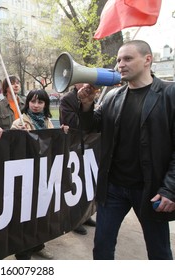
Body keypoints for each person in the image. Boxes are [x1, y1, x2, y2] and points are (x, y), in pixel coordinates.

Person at [77, 40, 175, 259]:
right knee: (102, 247)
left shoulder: (169, 94)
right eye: (119, 59)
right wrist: (86, 105)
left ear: (147, 59)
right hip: (113, 188)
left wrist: (170, 189)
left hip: (150, 189)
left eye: (128, 58)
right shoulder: (113, 96)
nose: (121, 64)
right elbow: (91, 126)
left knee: (159, 251)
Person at [10, 89, 56, 260]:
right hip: (25, 176)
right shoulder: (19, 123)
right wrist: (16, 136)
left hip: (43, 173)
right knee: (25, 214)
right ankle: (23, 252)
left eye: (40, 102)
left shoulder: (48, 122)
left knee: (42, 212)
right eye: (33, 101)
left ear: (45, 104)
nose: (36, 106)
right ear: (27, 103)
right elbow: (11, 151)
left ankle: (38, 245)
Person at [59, 83, 98, 235]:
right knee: (74, 185)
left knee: (87, 183)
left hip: (88, 145)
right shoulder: (67, 99)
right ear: (75, 83)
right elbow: (73, 122)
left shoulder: (90, 95)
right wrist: (86, 109)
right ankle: (74, 220)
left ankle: (85, 215)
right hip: (74, 146)